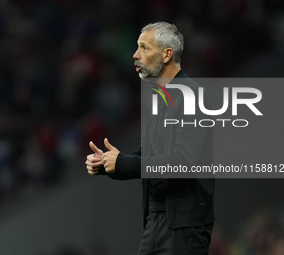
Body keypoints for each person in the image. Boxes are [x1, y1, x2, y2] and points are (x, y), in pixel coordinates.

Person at [85, 22, 215, 255]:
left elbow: (182, 162)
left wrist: (124, 163)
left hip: (184, 225)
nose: (135, 55)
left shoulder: (193, 97)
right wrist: (109, 163)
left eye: (144, 48)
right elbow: (148, 155)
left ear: (167, 54)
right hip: (155, 220)